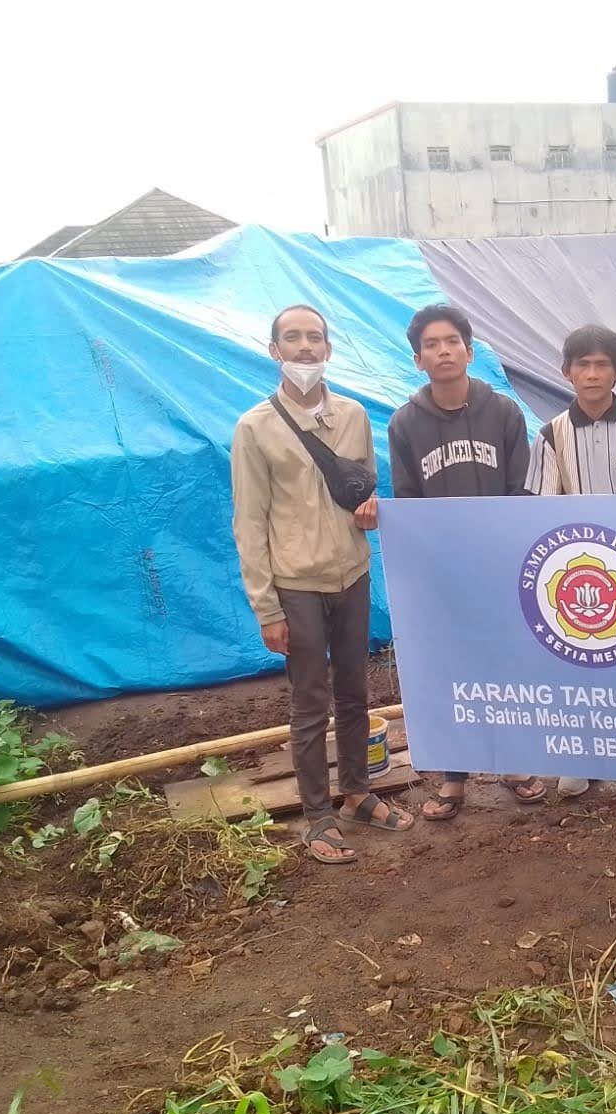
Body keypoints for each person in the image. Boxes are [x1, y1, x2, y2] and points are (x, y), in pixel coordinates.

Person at [231, 304, 415, 866]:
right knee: (310, 702)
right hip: (296, 583)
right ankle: (316, 818)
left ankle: (358, 792)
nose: (306, 347)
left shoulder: (355, 415)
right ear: (275, 351)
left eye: (315, 337)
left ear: (329, 349)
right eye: (293, 338)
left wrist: (370, 508)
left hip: (351, 573)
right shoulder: (254, 427)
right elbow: (250, 522)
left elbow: (363, 485)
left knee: (357, 692)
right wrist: (267, 606)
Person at [387, 303, 547, 819]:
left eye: (452, 341)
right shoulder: (404, 423)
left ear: (470, 350)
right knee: (450, 670)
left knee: (507, 663)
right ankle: (452, 777)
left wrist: (508, 554)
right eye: (431, 344)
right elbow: (408, 503)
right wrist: (431, 566)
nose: (443, 350)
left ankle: (515, 764)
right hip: (443, 575)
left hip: (501, 568)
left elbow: (522, 489)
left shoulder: (503, 412)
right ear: (418, 359)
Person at [526, 324, 616, 799]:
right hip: (574, 572)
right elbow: (541, 512)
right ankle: (582, 758)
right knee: (579, 663)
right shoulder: (550, 436)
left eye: (602, 364)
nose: (592, 374)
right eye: (583, 365)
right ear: (566, 372)